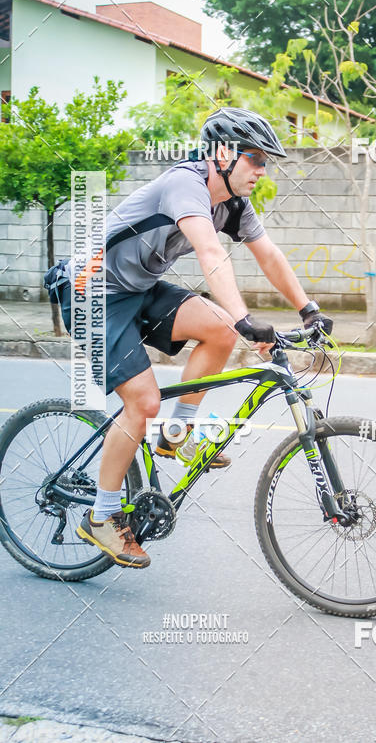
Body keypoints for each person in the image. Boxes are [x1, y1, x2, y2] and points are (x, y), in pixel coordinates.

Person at [46, 107, 332, 569]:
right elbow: (209, 251)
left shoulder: (234, 202)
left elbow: (269, 255)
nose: (262, 170)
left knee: (219, 333)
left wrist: (307, 309)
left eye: (265, 161)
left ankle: (175, 435)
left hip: (136, 288)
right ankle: (100, 516)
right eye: (255, 158)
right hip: (89, 289)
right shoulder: (186, 184)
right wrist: (245, 319)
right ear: (222, 154)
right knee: (143, 401)